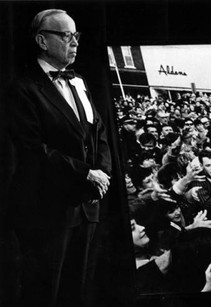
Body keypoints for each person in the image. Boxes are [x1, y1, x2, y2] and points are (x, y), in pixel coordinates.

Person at [5, 9, 112, 307]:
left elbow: (99, 134)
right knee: (44, 294)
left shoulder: (79, 81)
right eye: (66, 36)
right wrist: (85, 174)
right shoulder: (23, 89)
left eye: (76, 35)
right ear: (42, 40)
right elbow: (34, 150)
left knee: (77, 292)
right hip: (45, 211)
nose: (75, 42)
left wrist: (101, 174)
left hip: (87, 206)